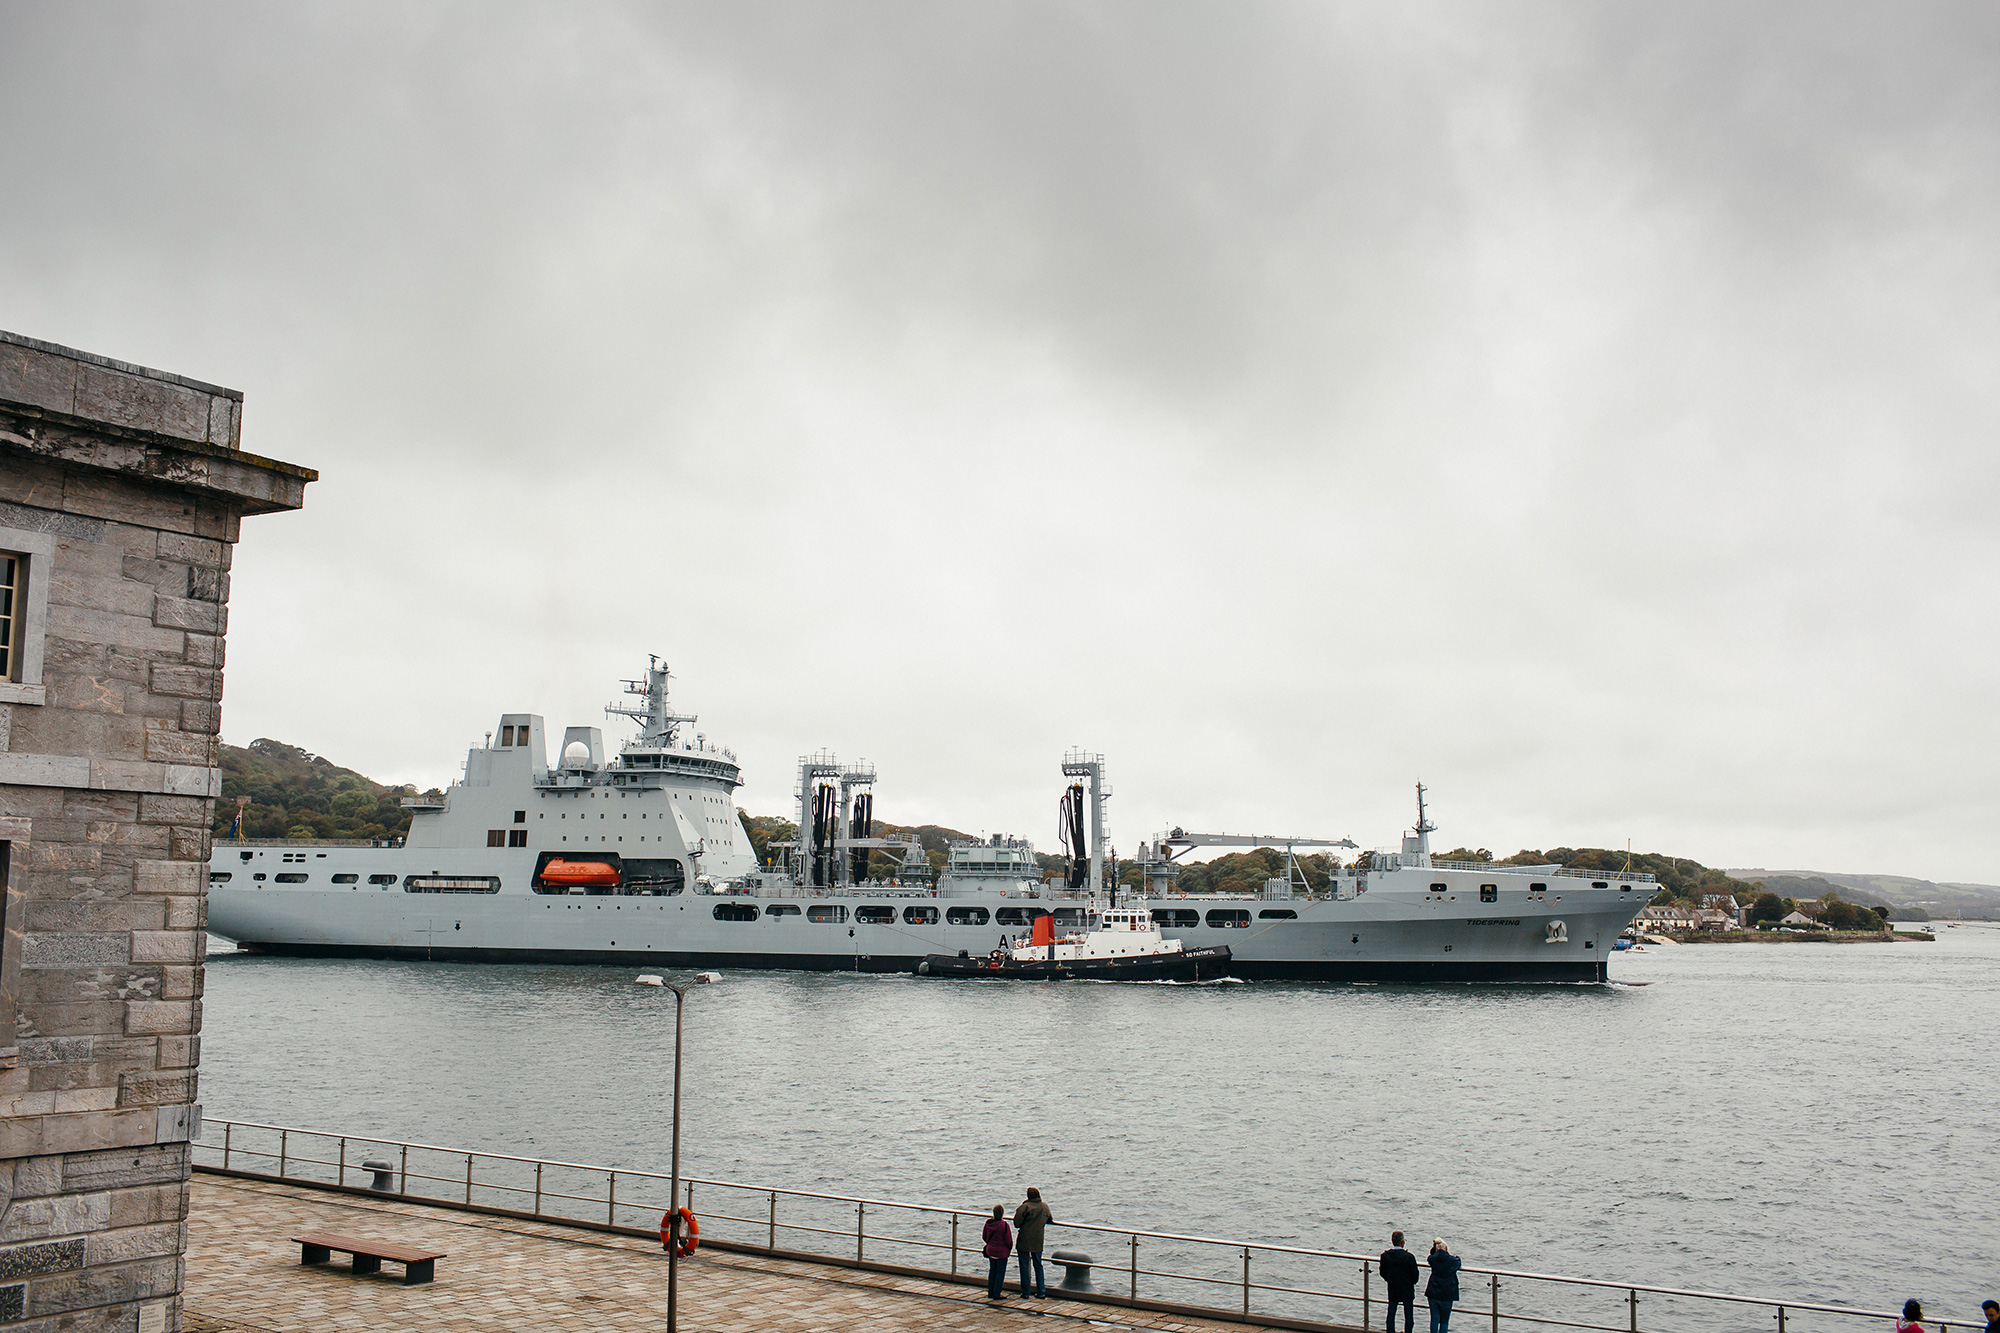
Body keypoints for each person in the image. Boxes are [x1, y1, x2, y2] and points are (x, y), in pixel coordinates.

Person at [1014, 1187, 1052, 1298]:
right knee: (1038, 1265)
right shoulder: (1045, 1206)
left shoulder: (1025, 1207)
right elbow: (1049, 1218)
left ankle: (1025, 1292)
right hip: (1038, 1239)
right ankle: (1041, 1291)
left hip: (1024, 1239)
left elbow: (1017, 1223)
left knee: (1024, 1266)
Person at [1380, 1230, 1419, 1333]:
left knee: (1391, 1313)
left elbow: (1382, 1272)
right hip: (1407, 1287)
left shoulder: (1385, 1256)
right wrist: (1411, 1282)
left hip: (1393, 1286)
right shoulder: (1409, 1257)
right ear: (1402, 1242)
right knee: (1409, 1315)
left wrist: (1389, 1279)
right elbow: (1415, 1275)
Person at [1426, 1238, 1462, 1333]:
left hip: (1433, 1291)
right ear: (1446, 1248)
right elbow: (1458, 1261)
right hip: (1447, 1293)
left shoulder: (1433, 1259)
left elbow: (1430, 1256)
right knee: (1444, 1321)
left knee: (1434, 1318)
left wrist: (1434, 1249)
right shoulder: (1451, 1261)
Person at [982, 1204, 1013, 1300]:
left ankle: (990, 1292)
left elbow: (984, 1236)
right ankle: (997, 1293)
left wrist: (990, 1244)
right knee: (1000, 1272)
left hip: (991, 1250)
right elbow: (1008, 1240)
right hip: (1002, 1252)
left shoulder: (988, 1224)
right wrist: (1009, 1249)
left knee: (992, 1271)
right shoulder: (1004, 1225)